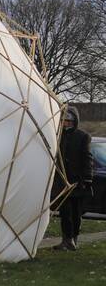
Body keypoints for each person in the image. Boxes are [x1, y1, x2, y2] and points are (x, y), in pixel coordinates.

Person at [52, 106, 93, 251]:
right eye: (64, 121)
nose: (66, 123)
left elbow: (87, 158)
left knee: (76, 213)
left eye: (69, 121)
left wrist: (87, 178)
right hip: (63, 181)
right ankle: (66, 240)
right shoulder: (57, 136)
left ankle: (74, 238)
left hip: (77, 181)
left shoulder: (83, 136)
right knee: (65, 212)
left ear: (74, 121)